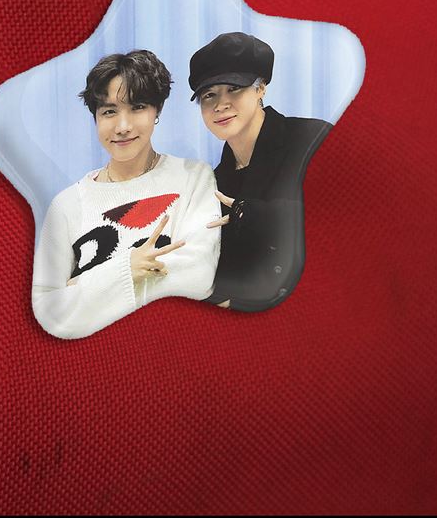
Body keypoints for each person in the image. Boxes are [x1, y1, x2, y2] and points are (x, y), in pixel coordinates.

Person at [32, 50, 220, 340]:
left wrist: (83, 286)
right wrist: (128, 269)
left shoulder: (193, 178)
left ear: (157, 111)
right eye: (109, 111)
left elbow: (198, 277)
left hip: (173, 346)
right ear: (95, 117)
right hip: (92, 357)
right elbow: (49, 310)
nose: (122, 127)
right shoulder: (66, 205)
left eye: (137, 107)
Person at [189, 32, 332, 312]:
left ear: (261, 88)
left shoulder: (311, 140)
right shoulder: (213, 185)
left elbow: (344, 220)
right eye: (209, 95)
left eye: (234, 88)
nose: (220, 105)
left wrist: (253, 215)